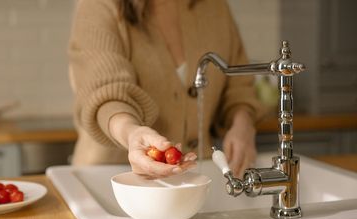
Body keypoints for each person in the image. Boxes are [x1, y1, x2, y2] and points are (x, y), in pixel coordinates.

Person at [68, 0, 264, 178]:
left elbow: (238, 87)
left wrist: (243, 125)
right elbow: (105, 91)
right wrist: (131, 132)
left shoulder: (214, 6)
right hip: (109, 179)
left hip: (193, 178)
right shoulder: (98, 5)